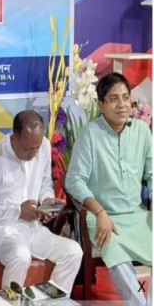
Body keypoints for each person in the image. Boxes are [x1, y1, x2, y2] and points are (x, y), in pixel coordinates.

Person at [0, 110, 82, 294]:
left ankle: (50, 302)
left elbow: (45, 182)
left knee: (73, 252)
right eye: (28, 149)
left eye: (37, 147)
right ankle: (10, 302)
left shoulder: (44, 146)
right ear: (14, 137)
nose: (34, 153)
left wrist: (46, 200)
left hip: (31, 228)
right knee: (20, 255)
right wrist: (17, 211)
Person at [65, 72, 152, 305]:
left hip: (136, 215)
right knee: (114, 250)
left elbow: (152, 175)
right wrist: (99, 212)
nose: (122, 104)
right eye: (113, 99)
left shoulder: (142, 131)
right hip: (102, 218)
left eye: (126, 97)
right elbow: (74, 180)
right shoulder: (89, 134)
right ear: (101, 105)